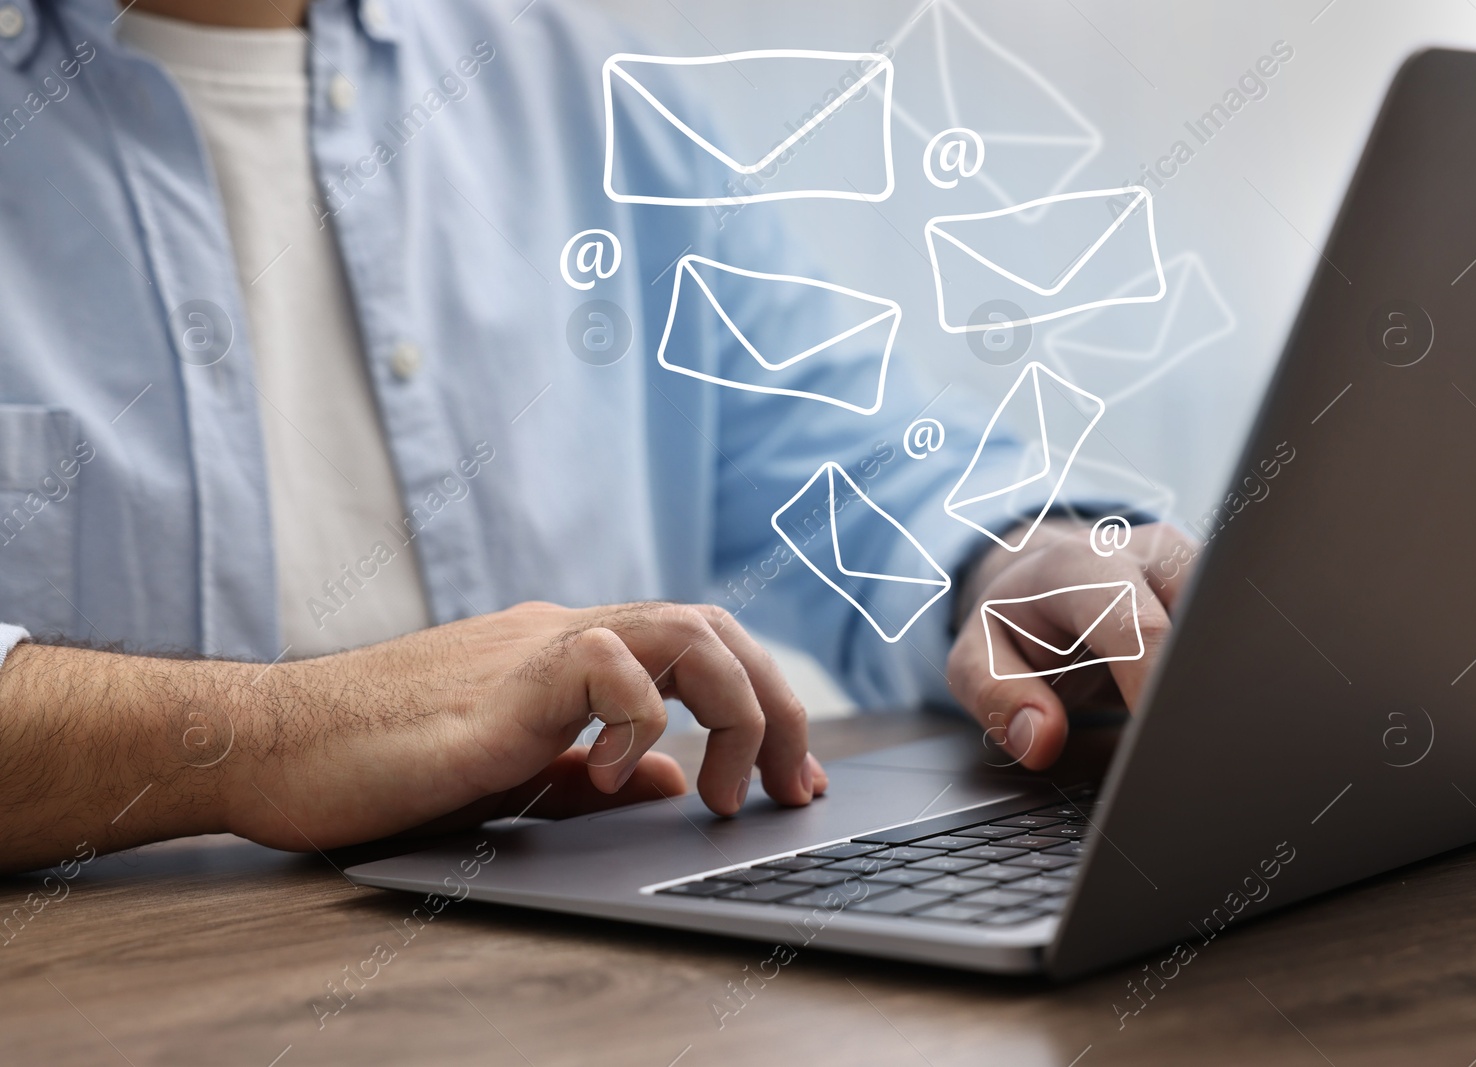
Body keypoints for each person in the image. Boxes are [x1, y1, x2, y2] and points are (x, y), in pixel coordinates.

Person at [0, 0, 1193, 874]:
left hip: (578, 983)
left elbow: (847, 454)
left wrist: (1016, 559)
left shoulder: (567, 69)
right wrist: (277, 735)